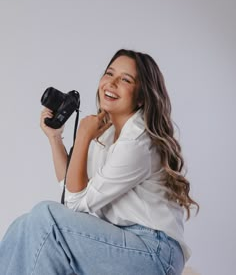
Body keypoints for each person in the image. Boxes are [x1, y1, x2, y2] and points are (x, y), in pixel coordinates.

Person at [0, 48, 199, 275]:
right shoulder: (105, 132)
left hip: (155, 253)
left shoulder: (138, 140)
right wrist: (55, 138)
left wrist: (84, 136)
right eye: (109, 74)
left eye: (125, 79)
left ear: (142, 96)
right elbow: (71, 192)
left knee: (45, 218)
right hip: (119, 241)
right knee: (24, 226)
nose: (111, 83)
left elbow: (74, 203)